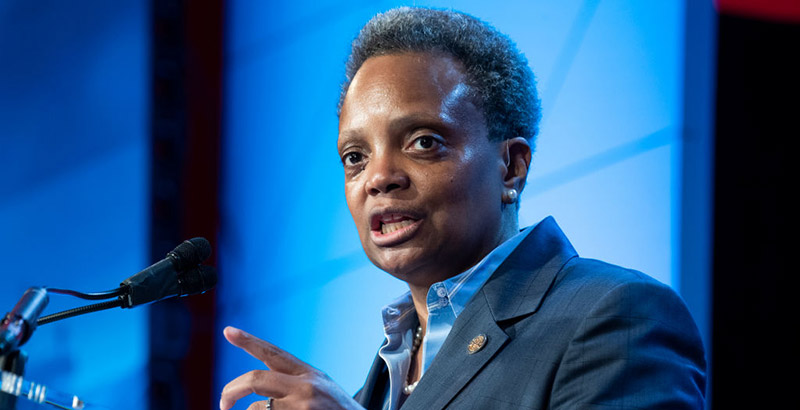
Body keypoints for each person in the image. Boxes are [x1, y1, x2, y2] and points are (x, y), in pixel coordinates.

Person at [219, 7, 706, 410]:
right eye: (355, 157)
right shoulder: (378, 383)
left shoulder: (615, 317)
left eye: (424, 142)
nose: (379, 178)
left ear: (510, 166)